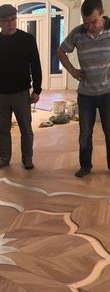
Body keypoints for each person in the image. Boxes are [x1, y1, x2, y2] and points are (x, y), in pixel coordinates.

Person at [0, 4, 42, 170]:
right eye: (6, 20)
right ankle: (4, 158)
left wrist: (37, 90)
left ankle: (27, 159)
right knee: (3, 130)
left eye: (13, 19)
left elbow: (36, 66)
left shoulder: (27, 40)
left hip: (22, 93)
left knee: (26, 130)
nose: (10, 23)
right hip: (1, 94)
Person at [57, 0, 110, 178]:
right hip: (86, 94)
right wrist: (72, 71)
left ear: (101, 13)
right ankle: (85, 166)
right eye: (86, 22)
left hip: (108, 93)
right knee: (85, 134)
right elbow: (60, 51)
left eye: (93, 22)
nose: (89, 27)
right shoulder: (78, 33)